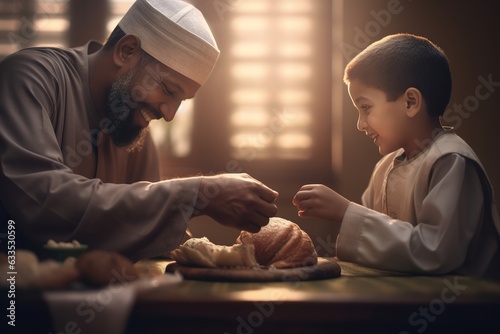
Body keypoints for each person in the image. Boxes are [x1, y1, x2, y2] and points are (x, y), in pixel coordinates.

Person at [0, 0, 278, 261]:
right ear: (126, 51)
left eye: (181, 102)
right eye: (168, 90)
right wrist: (198, 194)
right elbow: (41, 201)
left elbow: (143, 227)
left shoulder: (131, 127)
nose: (169, 115)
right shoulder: (30, 78)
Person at [293, 33, 500, 278]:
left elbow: (437, 252)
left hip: (459, 308)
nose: (360, 124)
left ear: (410, 102)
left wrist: (346, 212)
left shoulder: (451, 160)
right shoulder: (385, 166)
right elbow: (376, 248)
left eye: (366, 108)